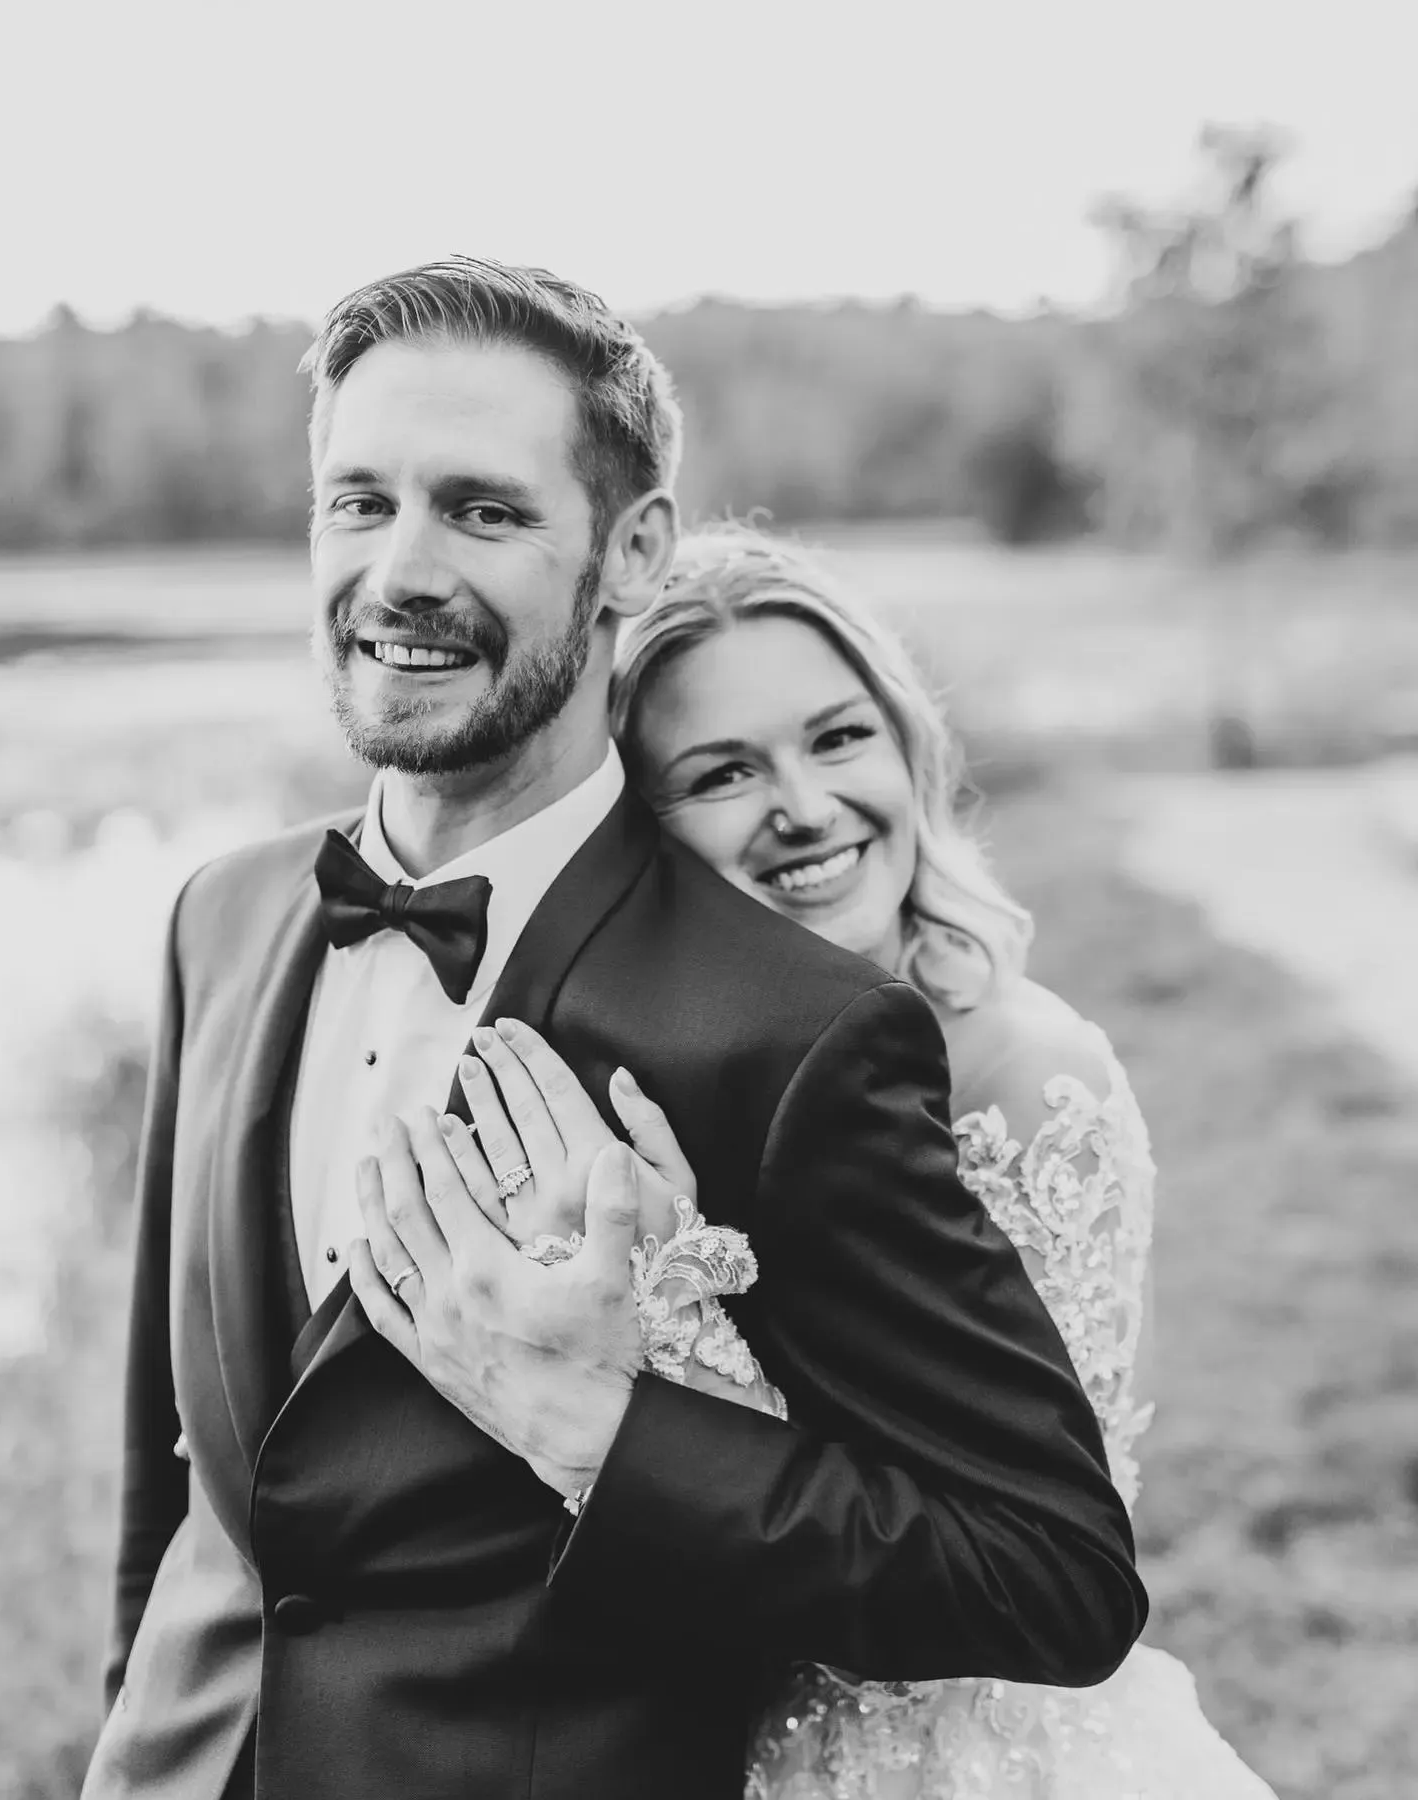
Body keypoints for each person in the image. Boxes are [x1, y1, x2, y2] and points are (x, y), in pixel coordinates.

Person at [82, 260, 1144, 1800]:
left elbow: (1051, 1571)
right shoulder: (221, 917)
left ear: (631, 547)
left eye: (486, 511)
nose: (402, 572)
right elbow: (170, 1474)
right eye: (358, 502)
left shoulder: (799, 1035)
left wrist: (597, 1427)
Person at [380, 521, 1275, 1797]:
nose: (805, 809)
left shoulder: (1024, 1078)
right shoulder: (651, 1082)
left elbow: (997, 1539)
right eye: (723, 773)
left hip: (962, 1740)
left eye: (839, 737)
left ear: (907, 745)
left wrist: (675, 1324)